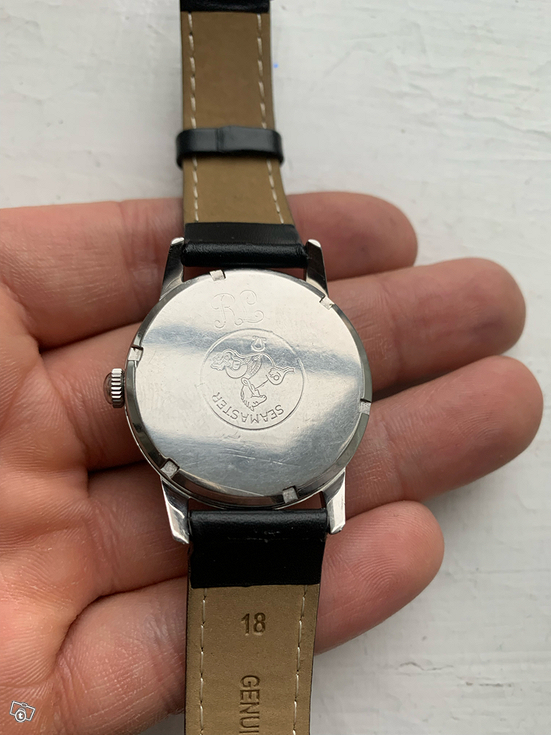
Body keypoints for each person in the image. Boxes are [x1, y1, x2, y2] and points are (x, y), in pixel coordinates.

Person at [0, 191, 542, 734]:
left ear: (119, 388)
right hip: (247, 483)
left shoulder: (194, 313)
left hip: (253, 479)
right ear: (123, 387)